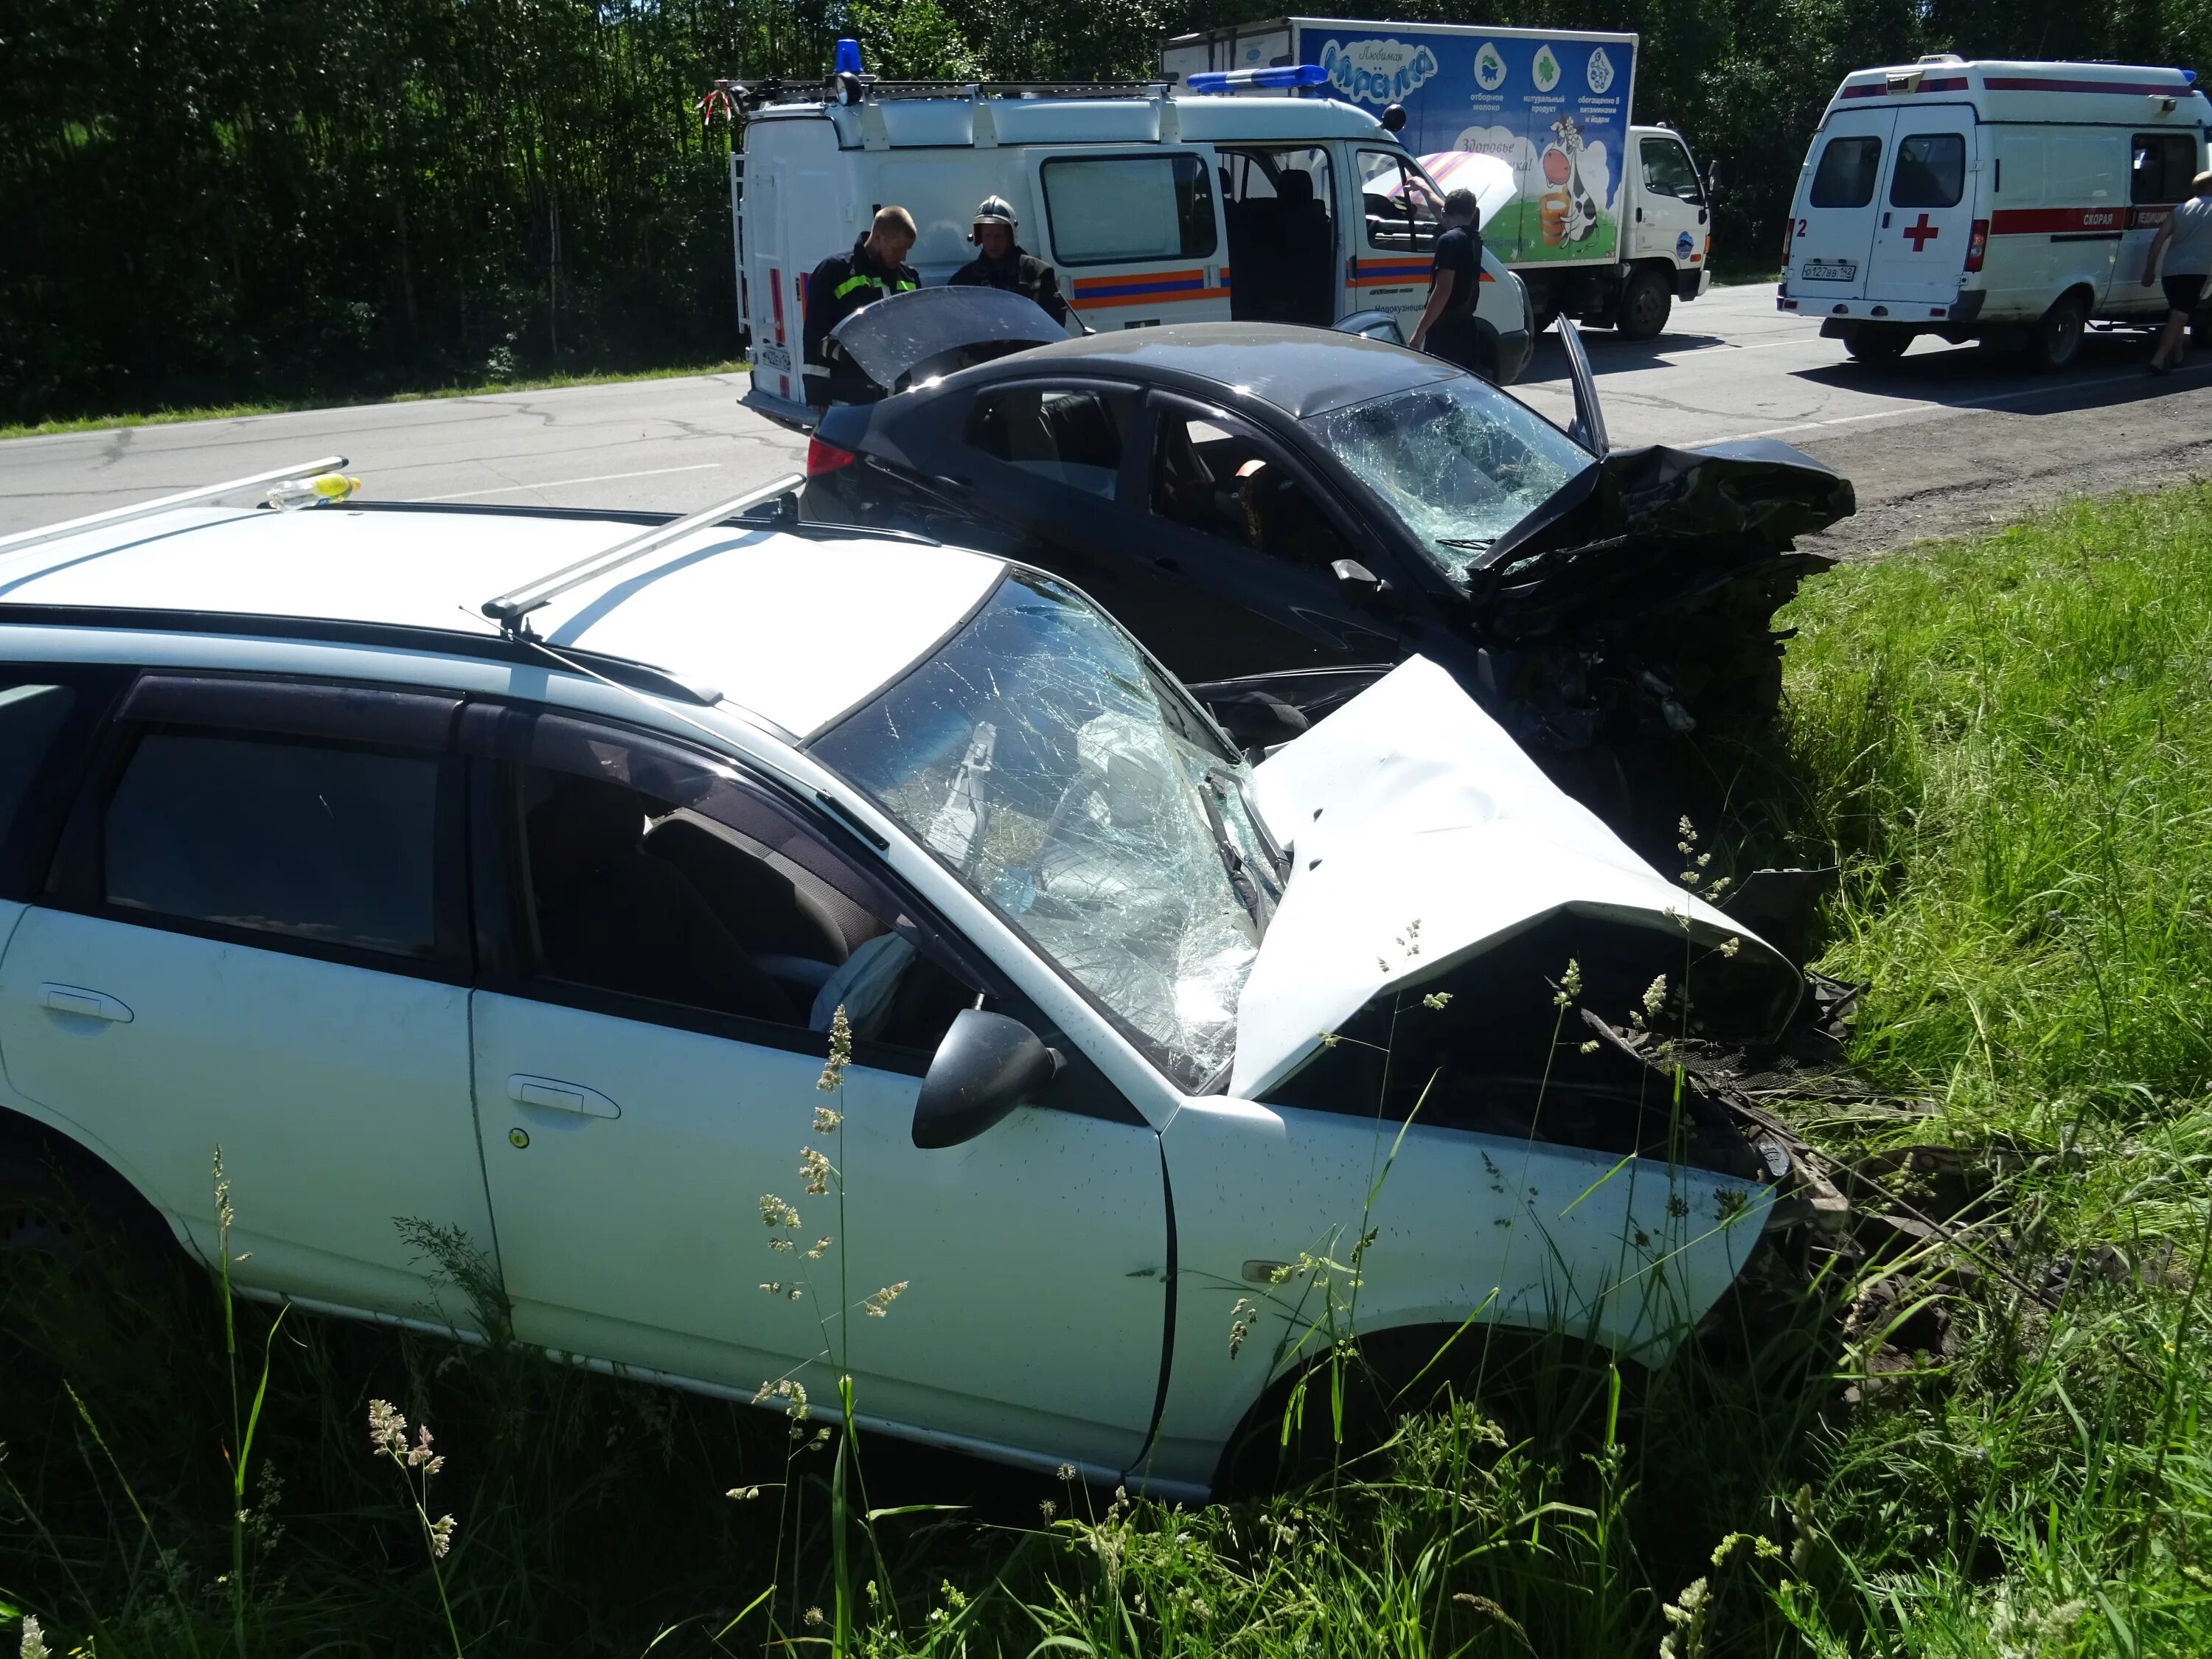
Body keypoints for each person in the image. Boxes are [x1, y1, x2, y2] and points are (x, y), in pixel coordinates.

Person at [802, 206, 921, 408]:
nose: (903, 257)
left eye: (906, 250)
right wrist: (818, 396)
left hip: (896, 398)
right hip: (848, 400)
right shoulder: (835, 272)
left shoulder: (909, 278)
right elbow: (816, 334)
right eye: (897, 249)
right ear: (878, 237)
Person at [947, 197, 1070, 324]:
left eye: (998, 236)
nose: (993, 243)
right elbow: (954, 324)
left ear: (1011, 236)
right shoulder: (964, 279)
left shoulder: (1037, 272)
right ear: (979, 237)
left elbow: (1055, 323)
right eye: (988, 236)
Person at [1408, 188, 1489, 378]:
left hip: (1446, 335)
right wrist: (1423, 189)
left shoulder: (1448, 241)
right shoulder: (1473, 237)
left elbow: (1443, 291)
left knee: (1440, 387)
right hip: (1467, 329)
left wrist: (1419, 334)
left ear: (1445, 213)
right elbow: (1441, 211)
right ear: (1473, 213)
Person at [2143, 170, 2212, 375]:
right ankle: (2159, 358)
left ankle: (2179, 354)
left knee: (2178, 311)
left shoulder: (2179, 210)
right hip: (2196, 270)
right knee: (2179, 316)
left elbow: (2158, 240)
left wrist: (2150, 269)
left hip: (2171, 270)